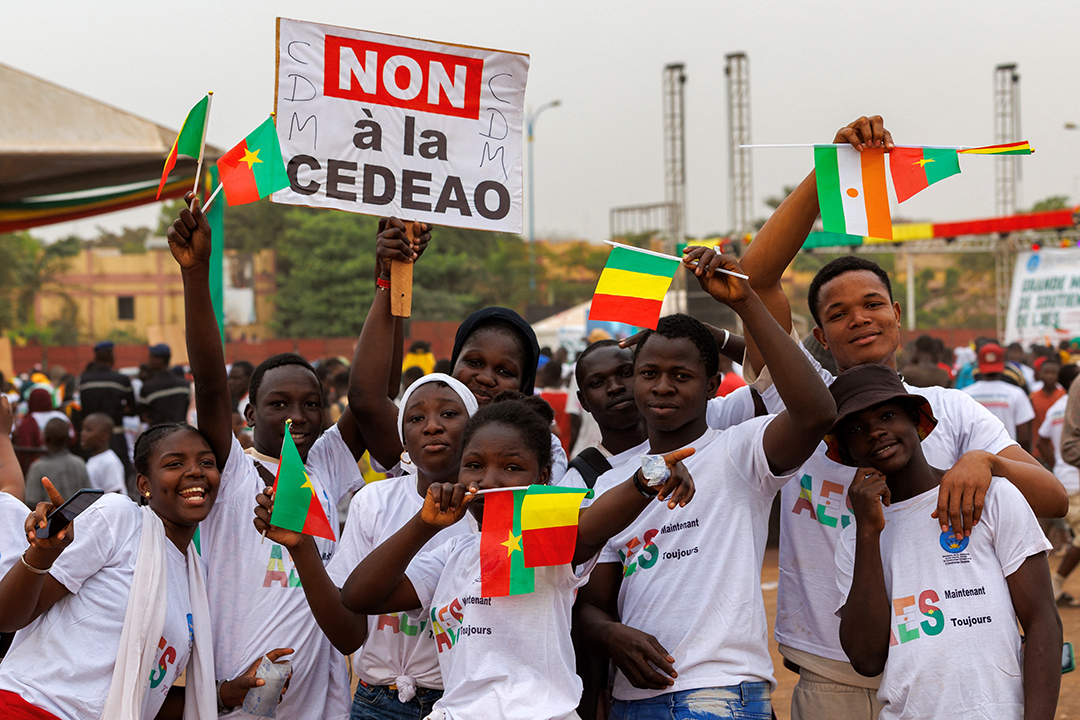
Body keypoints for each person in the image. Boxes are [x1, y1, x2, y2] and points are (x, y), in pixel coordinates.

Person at [718, 115, 1067, 720]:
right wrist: (831, 168)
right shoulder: (801, 402)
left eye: (873, 304)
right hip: (834, 672)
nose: (860, 318)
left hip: (956, 668)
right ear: (818, 336)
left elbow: (1054, 498)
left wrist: (983, 462)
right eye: (839, 312)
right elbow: (756, 278)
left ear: (897, 314)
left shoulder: (950, 410)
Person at [577, 249, 836, 719]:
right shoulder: (614, 482)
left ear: (715, 384)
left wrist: (748, 303)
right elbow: (591, 603)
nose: (662, 387)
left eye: (681, 376)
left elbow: (817, 411)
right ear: (634, 380)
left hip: (720, 695)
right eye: (649, 374)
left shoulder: (742, 450)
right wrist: (609, 635)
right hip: (632, 703)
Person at [339, 391, 696, 720]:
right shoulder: (454, 553)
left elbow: (590, 527)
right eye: (474, 466)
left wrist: (645, 480)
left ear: (541, 477)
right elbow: (359, 596)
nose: (490, 480)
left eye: (511, 468)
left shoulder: (543, 538)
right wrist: (423, 525)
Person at [168, 194, 372, 720]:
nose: (297, 416)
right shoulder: (231, 468)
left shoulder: (324, 463)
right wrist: (196, 274)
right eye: (278, 404)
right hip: (238, 691)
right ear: (248, 410)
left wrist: (387, 281)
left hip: (318, 698)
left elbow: (372, 392)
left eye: (311, 404)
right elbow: (209, 384)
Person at [832, 364, 1060, 719]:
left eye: (888, 415)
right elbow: (866, 659)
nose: (875, 432)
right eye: (857, 428)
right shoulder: (856, 536)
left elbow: (1042, 619)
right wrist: (867, 532)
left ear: (917, 420)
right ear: (847, 450)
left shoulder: (991, 497)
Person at [0, 423, 265, 720]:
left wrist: (227, 694)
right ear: (144, 485)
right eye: (175, 463)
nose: (195, 471)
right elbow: (7, 617)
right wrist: (43, 552)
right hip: (31, 708)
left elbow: (144, 700)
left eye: (207, 462)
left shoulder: (195, 577)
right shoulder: (120, 518)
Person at [255, 373, 478, 720]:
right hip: (377, 703)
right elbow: (348, 635)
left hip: (463, 701)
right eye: (416, 418)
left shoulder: (489, 515)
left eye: (449, 414)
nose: (432, 426)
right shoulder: (373, 502)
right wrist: (302, 548)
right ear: (403, 441)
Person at [359, 220, 568, 482]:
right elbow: (368, 401)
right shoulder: (424, 431)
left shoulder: (542, 446)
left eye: (504, 371)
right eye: (474, 362)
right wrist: (391, 274)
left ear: (524, 385)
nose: (485, 378)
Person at [1036, 364, 1080, 601]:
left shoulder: (1055, 408)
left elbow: (1041, 439)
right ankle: (1054, 585)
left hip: (1065, 478)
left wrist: (1055, 468)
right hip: (1075, 481)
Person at [960, 342, 1036, 451]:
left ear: (979, 366)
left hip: (972, 461)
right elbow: (1024, 437)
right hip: (1006, 459)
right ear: (1003, 365)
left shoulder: (965, 395)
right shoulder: (1016, 393)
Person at [25, 418, 91, 509]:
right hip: (77, 520)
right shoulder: (79, 463)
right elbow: (89, 497)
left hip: (49, 521)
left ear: (44, 438)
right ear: (68, 439)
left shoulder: (37, 468)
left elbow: (31, 503)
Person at [14, 388, 71, 476]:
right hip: (66, 461)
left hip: (37, 464)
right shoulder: (61, 416)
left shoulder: (30, 420)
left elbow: (25, 446)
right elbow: (73, 437)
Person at [139, 345, 192, 425]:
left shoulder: (148, 388)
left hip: (159, 434)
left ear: (159, 360)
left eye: (151, 357)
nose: (148, 361)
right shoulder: (184, 385)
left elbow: (144, 417)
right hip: (182, 432)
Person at [79, 412, 127, 495]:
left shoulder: (110, 462)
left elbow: (115, 494)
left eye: (88, 430)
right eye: (82, 429)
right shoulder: (94, 459)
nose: (82, 433)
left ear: (104, 436)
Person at [1030, 357, 1064, 464]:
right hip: (1038, 454)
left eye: (1053, 373)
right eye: (1046, 372)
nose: (1050, 376)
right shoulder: (1033, 397)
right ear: (1040, 374)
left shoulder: (1064, 396)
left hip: (1061, 455)